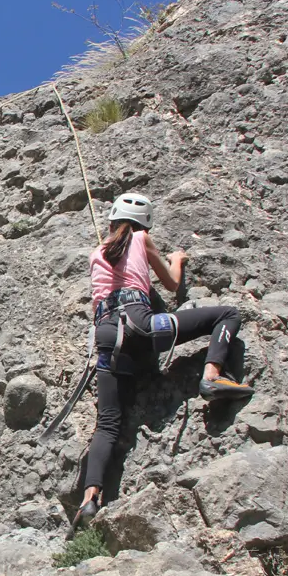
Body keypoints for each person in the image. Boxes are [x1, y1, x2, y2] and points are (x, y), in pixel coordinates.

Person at [74, 194, 254, 529]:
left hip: (108, 338)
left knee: (108, 423)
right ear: (144, 223)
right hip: (144, 325)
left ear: (111, 223)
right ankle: (212, 375)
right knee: (227, 314)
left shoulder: (96, 253)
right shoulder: (142, 238)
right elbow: (171, 283)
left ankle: (89, 498)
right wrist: (178, 259)